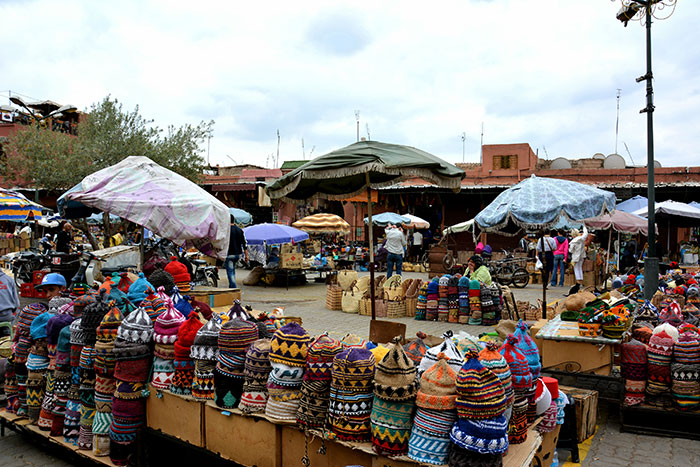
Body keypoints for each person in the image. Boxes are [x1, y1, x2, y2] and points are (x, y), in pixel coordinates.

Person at [225, 219, 247, 289]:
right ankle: (231, 286)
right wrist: (246, 256)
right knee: (232, 270)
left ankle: (233, 288)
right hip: (238, 254)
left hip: (229, 254)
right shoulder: (239, 230)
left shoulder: (227, 230)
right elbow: (244, 243)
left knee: (230, 272)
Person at [0, 269, 19, 337]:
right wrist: (13, 317)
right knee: (6, 340)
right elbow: (17, 303)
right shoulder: (9, 279)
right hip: (7, 317)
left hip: (7, 317)